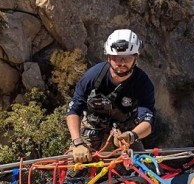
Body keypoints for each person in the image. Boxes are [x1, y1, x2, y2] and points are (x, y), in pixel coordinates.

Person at [66, 29, 155, 163]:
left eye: (128, 57)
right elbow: (74, 111)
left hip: (124, 134)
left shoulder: (142, 83)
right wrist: (77, 143)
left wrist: (131, 135)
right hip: (91, 130)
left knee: (146, 172)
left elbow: (148, 121)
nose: (121, 62)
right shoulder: (92, 77)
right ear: (108, 57)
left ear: (136, 57)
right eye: (116, 57)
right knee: (73, 173)